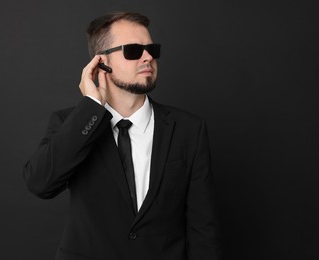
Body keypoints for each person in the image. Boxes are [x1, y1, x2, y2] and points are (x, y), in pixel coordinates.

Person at [23, 11, 221, 260]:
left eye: (152, 49)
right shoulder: (70, 123)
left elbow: (203, 228)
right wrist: (91, 107)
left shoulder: (188, 130)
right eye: (133, 50)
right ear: (101, 62)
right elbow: (40, 183)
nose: (148, 57)